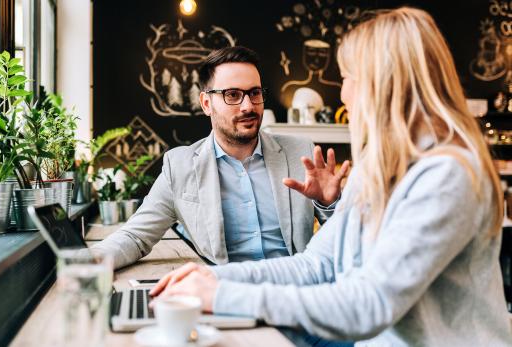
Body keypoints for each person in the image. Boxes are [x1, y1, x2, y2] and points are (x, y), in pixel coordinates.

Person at [150, 7, 512, 347]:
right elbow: (317, 265)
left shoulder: (447, 175)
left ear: (384, 84)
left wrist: (221, 295)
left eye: (348, 78)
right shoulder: (376, 168)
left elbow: (368, 304)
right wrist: (210, 279)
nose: (343, 93)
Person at [93, 46, 349, 269]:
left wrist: (330, 205)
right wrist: (81, 262)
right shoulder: (180, 166)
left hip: (295, 291)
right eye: (233, 95)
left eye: (255, 93)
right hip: (226, 296)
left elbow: (345, 241)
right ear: (206, 103)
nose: (248, 106)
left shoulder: (300, 153)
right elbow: (136, 236)